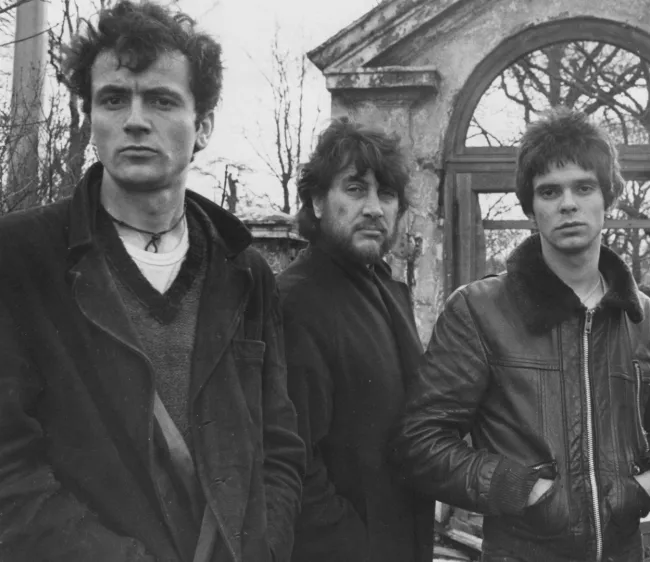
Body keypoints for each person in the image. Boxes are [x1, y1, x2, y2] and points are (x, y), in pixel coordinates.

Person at [0, 2, 306, 561]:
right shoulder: (20, 258)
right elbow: (8, 472)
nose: (135, 119)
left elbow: (279, 447)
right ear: (91, 116)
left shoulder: (245, 271)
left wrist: (262, 548)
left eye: (162, 100)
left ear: (204, 125)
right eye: (114, 98)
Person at [392, 107, 650, 562]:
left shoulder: (641, 315)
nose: (568, 203)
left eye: (584, 187)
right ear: (531, 206)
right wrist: (524, 490)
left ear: (608, 198)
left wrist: (649, 484)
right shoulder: (480, 310)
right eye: (550, 191)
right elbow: (423, 444)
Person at [279, 118, 434, 562]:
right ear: (317, 201)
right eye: (354, 189)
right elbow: (293, 461)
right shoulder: (295, 301)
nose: (374, 208)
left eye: (386, 194)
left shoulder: (385, 287)